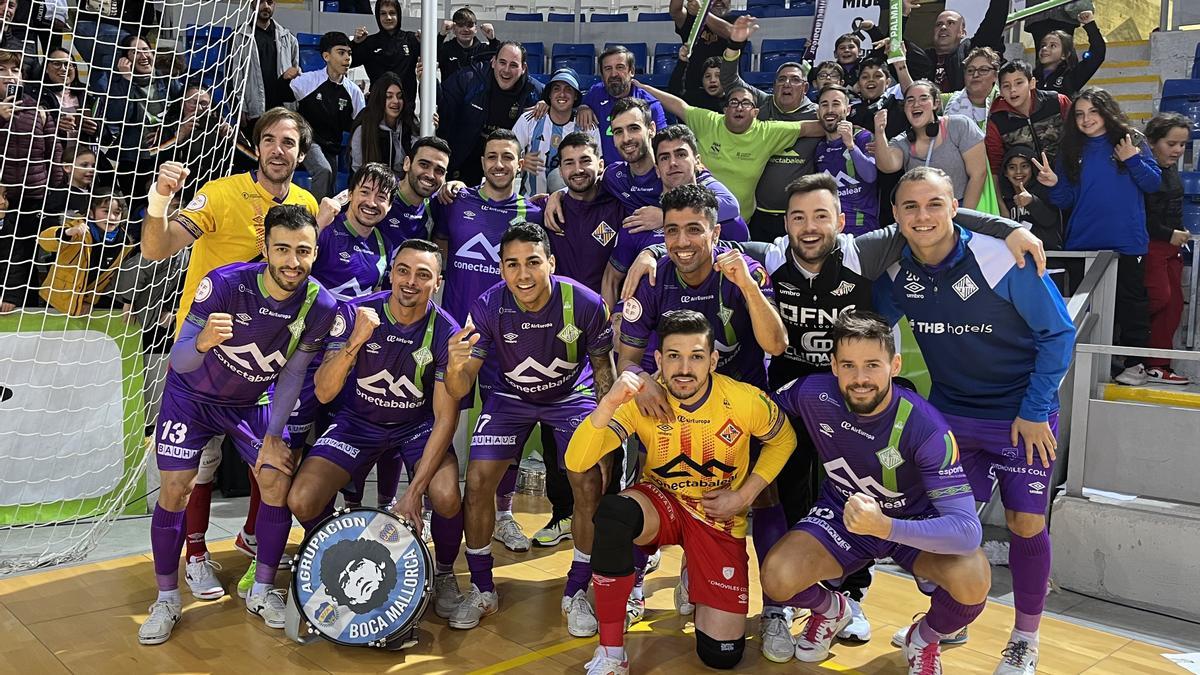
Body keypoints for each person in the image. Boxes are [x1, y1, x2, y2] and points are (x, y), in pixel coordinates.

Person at [873, 167, 1075, 675]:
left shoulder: (1003, 257)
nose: (923, 217)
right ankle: (949, 616)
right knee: (937, 529)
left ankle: (1025, 640)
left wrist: (1033, 412)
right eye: (911, 207)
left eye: (935, 204)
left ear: (954, 209)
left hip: (1020, 418)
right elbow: (867, 332)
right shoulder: (896, 272)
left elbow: (1059, 335)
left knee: (1025, 523)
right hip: (953, 418)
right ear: (895, 216)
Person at [138, 205, 338, 645]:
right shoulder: (226, 283)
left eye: (302, 251)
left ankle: (263, 589)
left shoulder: (320, 302)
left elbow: (291, 375)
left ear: (315, 251)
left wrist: (272, 437)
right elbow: (180, 359)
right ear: (264, 248)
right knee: (176, 489)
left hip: (250, 402)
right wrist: (206, 340)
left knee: (275, 479)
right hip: (190, 398)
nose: (292, 261)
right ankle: (167, 599)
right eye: (282, 249)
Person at [140, 108, 319, 591]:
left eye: (288, 142)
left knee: (274, 462)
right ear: (256, 146)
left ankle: (251, 541)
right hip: (203, 352)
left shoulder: (304, 202)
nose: (277, 150)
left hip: (260, 366)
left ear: (301, 154)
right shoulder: (220, 193)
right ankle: (194, 556)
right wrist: (160, 200)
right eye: (269, 140)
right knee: (199, 468)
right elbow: (158, 249)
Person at [566, 309, 797, 674]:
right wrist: (609, 402)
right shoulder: (640, 399)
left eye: (696, 356)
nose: (684, 368)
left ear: (713, 360)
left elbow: (784, 438)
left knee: (722, 655)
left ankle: (697, 574)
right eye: (673, 356)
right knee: (614, 513)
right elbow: (577, 460)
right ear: (658, 359)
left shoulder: (743, 400)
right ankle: (611, 654)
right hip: (663, 504)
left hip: (718, 517)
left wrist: (744, 496)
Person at [768, 311, 990, 673]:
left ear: (894, 365)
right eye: (849, 365)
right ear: (833, 366)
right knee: (776, 577)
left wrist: (886, 527)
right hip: (843, 519)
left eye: (872, 365)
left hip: (912, 526)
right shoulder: (811, 392)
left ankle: (926, 636)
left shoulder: (928, 427)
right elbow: (755, 411)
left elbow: (967, 532)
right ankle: (831, 610)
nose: (860, 379)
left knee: (973, 579)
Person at [617, 183, 789, 645]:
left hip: (740, 407)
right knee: (648, 489)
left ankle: (775, 609)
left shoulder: (740, 270)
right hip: (674, 408)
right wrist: (644, 380)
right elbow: (626, 356)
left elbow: (776, 344)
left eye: (694, 229)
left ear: (716, 232)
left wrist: (748, 286)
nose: (682, 241)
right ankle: (633, 587)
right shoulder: (655, 274)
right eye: (672, 231)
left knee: (763, 499)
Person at [443, 224, 615, 632]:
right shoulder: (487, 306)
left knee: (587, 479)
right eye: (512, 264)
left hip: (572, 397)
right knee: (480, 479)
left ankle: (576, 592)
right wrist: (453, 364)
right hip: (509, 397)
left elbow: (604, 372)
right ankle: (482, 588)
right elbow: (461, 386)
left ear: (551, 263)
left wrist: (610, 433)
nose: (523, 274)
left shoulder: (587, 303)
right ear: (501, 269)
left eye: (533, 262)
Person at [288, 238, 467, 619]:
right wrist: (354, 343)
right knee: (301, 499)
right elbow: (323, 390)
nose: (410, 282)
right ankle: (338, 546)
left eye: (423, 275)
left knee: (448, 495)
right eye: (403, 270)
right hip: (356, 424)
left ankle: (447, 573)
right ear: (391, 273)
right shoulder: (355, 313)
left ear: (437, 283)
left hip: (415, 428)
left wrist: (414, 493)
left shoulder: (445, 332)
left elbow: (446, 417)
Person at [1037, 87, 1160, 385]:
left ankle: (1135, 364)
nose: (1086, 119)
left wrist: (1132, 159)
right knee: (1087, 309)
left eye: (1093, 111)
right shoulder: (1071, 149)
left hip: (1127, 242)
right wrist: (1053, 183)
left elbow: (1154, 183)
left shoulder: (1131, 140)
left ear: (1107, 111)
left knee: (1131, 305)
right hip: (1083, 244)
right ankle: (1085, 368)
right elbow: (1066, 199)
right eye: (1079, 114)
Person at [639, 79, 819, 223]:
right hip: (695, 216)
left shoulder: (768, 131)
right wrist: (643, 87)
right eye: (734, 102)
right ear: (725, 110)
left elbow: (807, 128)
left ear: (755, 112)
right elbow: (678, 106)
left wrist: (841, 126)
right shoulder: (709, 121)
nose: (739, 107)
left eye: (745, 103)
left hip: (737, 222)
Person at [719, 16, 820, 240]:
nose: (786, 84)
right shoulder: (761, 104)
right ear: (773, 85)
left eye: (794, 80)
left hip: (799, 214)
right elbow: (728, 79)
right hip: (759, 214)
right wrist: (735, 44)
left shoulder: (817, 114)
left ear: (804, 87)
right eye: (781, 79)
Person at [0, 49, 61, 312]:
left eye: (15, 70)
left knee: (31, 255)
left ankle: (32, 306)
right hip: (3, 197)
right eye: (3, 70)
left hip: (34, 195)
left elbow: (54, 152)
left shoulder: (38, 110)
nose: (10, 76)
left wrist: (54, 189)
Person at [438, 41, 543, 185]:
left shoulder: (534, 91)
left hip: (505, 166)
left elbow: (563, 103)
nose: (506, 70)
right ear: (493, 62)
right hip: (465, 161)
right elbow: (443, 102)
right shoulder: (469, 79)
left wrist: (549, 104)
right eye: (502, 62)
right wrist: (426, 82)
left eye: (513, 65)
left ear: (523, 68)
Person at [874, 81, 989, 210]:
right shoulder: (902, 141)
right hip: (924, 212)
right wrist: (879, 132)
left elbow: (978, 173)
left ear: (936, 103)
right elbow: (888, 166)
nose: (916, 104)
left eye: (924, 98)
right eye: (910, 100)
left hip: (961, 209)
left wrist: (965, 218)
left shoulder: (959, 126)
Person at [1141, 113, 1191, 385]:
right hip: (1152, 245)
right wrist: (1168, 234)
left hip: (1172, 246)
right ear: (1151, 142)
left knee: (1172, 307)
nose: (1178, 150)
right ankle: (1128, 351)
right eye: (1172, 143)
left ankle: (1158, 365)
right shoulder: (1143, 169)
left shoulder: (1170, 168)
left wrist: (1178, 233)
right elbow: (1143, 215)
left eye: (1182, 145)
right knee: (1158, 298)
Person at [544, 131, 625, 295]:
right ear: (560, 170)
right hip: (558, 313)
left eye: (585, 160)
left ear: (601, 165)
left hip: (603, 309)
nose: (578, 169)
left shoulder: (619, 207)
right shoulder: (546, 210)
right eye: (569, 163)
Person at [289, 31, 366, 200]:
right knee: (324, 171)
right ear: (326, 56)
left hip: (332, 147)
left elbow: (360, 127)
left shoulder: (354, 92)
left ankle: (324, 222)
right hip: (309, 141)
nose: (347, 58)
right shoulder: (308, 81)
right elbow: (280, 97)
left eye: (349, 53)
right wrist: (284, 79)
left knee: (330, 185)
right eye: (341, 52)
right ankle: (313, 219)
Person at [37, 192, 133, 315]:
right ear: (91, 213)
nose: (112, 218)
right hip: (56, 301)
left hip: (88, 304)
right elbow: (44, 240)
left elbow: (106, 280)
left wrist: (89, 301)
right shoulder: (77, 229)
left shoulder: (124, 242)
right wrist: (67, 232)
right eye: (106, 211)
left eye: (117, 213)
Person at [577, 46, 668, 165]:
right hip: (604, 173)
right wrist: (583, 107)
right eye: (608, 69)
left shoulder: (651, 105)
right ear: (602, 74)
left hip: (639, 172)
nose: (614, 74)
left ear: (632, 71)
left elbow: (664, 146)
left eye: (620, 67)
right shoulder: (595, 93)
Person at [513, 68, 597, 196]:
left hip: (574, 205)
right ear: (549, 94)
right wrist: (520, 162)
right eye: (556, 89)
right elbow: (507, 154)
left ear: (575, 96)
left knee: (557, 178)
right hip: (532, 202)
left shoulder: (587, 125)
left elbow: (598, 168)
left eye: (568, 89)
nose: (562, 94)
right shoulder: (530, 119)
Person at [985, 60, 1071, 177]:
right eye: (1006, 86)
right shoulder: (996, 121)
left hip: (1067, 175)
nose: (1012, 90)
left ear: (1032, 83)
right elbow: (995, 167)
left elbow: (1077, 135)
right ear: (1000, 91)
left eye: (1019, 83)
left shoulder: (1057, 102)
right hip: (1025, 186)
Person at [814, 84, 878, 235]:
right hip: (830, 230)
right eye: (824, 105)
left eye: (836, 104)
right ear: (818, 112)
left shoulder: (863, 137)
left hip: (863, 229)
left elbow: (870, 176)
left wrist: (850, 145)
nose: (830, 110)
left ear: (847, 110)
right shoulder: (819, 148)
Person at [377, 135, 452, 249]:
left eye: (439, 170)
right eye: (424, 165)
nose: (431, 175)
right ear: (407, 163)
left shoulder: (438, 203)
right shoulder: (380, 192)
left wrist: (458, 185)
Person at [350, 0, 420, 107]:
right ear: (378, 16)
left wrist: (433, 39)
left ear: (399, 15)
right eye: (383, 13)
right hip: (377, 109)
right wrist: (355, 43)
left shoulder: (411, 39)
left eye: (392, 13)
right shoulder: (370, 42)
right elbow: (348, 62)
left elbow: (436, 58)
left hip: (406, 109)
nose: (388, 17)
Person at [244, 0, 300, 129]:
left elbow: (296, 76)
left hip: (282, 110)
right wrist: (240, 108)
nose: (266, 6)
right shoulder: (239, 37)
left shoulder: (289, 38)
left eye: (269, 2)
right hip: (254, 112)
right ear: (252, 4)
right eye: (261, 2)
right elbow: (234, 76)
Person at [349, 71, 416, 174]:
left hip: (403, 186)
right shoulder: (364, 127)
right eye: (389, 96)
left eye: (399, 96)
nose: (396, 101)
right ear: (379, 99)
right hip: (371, 185)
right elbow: (358, 171)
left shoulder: (408, 123)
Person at [1000, 145, 1063, 252]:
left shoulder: (1045, 191)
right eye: (1012, 167)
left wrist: (1032, 202)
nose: (1018, 171)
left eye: (1024, 166)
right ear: (1005, 172)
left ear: (1032, 168)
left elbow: (1050, 220)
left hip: (1050, 260)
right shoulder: (1004, 199)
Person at [669, 0, 735, 100]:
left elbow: (731, 33)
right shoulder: (691, 19)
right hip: (692, 93)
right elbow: (675, 11)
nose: (718, 1)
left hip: (727, 96)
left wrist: (702, 13)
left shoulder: (735, 21)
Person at [1033, 11, 1106, 99]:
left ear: (1065, 54)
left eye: (1052, 45)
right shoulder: (1031, 76)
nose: (1044, 49)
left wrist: (1090, 24)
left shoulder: (1071, 76)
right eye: (1043, 45)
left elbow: (1098, 53)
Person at [942, 47, 1000, 129]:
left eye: (983, 70)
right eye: (970, 70)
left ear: (995, 76)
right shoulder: (949, 100)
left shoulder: (1006, 103)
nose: (975, 75)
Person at [437, 8, 499, 80]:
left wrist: (492, 40)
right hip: (449, 91)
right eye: (460, 25)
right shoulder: (446, 49)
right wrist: (441, 36)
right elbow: (429, 56)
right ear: (453, 29)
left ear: (475, 29)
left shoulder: (484, 50)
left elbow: (501, 57)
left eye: (470, 25)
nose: (465, 29)